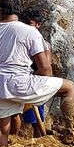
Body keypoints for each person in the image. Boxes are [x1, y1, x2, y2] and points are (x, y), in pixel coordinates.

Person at [0, 0, 74, 147]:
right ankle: (73, 134)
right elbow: (45, 69)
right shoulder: (29, 31)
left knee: (1, 132)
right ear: (19, 12)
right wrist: (37, 85)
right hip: (20, 83)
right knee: (69, 87)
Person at [20, 7, 52, 138]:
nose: (26, 27)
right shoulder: (22, 40)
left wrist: (31, 77)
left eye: (30, 24)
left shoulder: (43, 44)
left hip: (35, 83)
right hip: (23, 81)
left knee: (36, 121)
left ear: (38, 25)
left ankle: (39, 141)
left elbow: (46, 69)